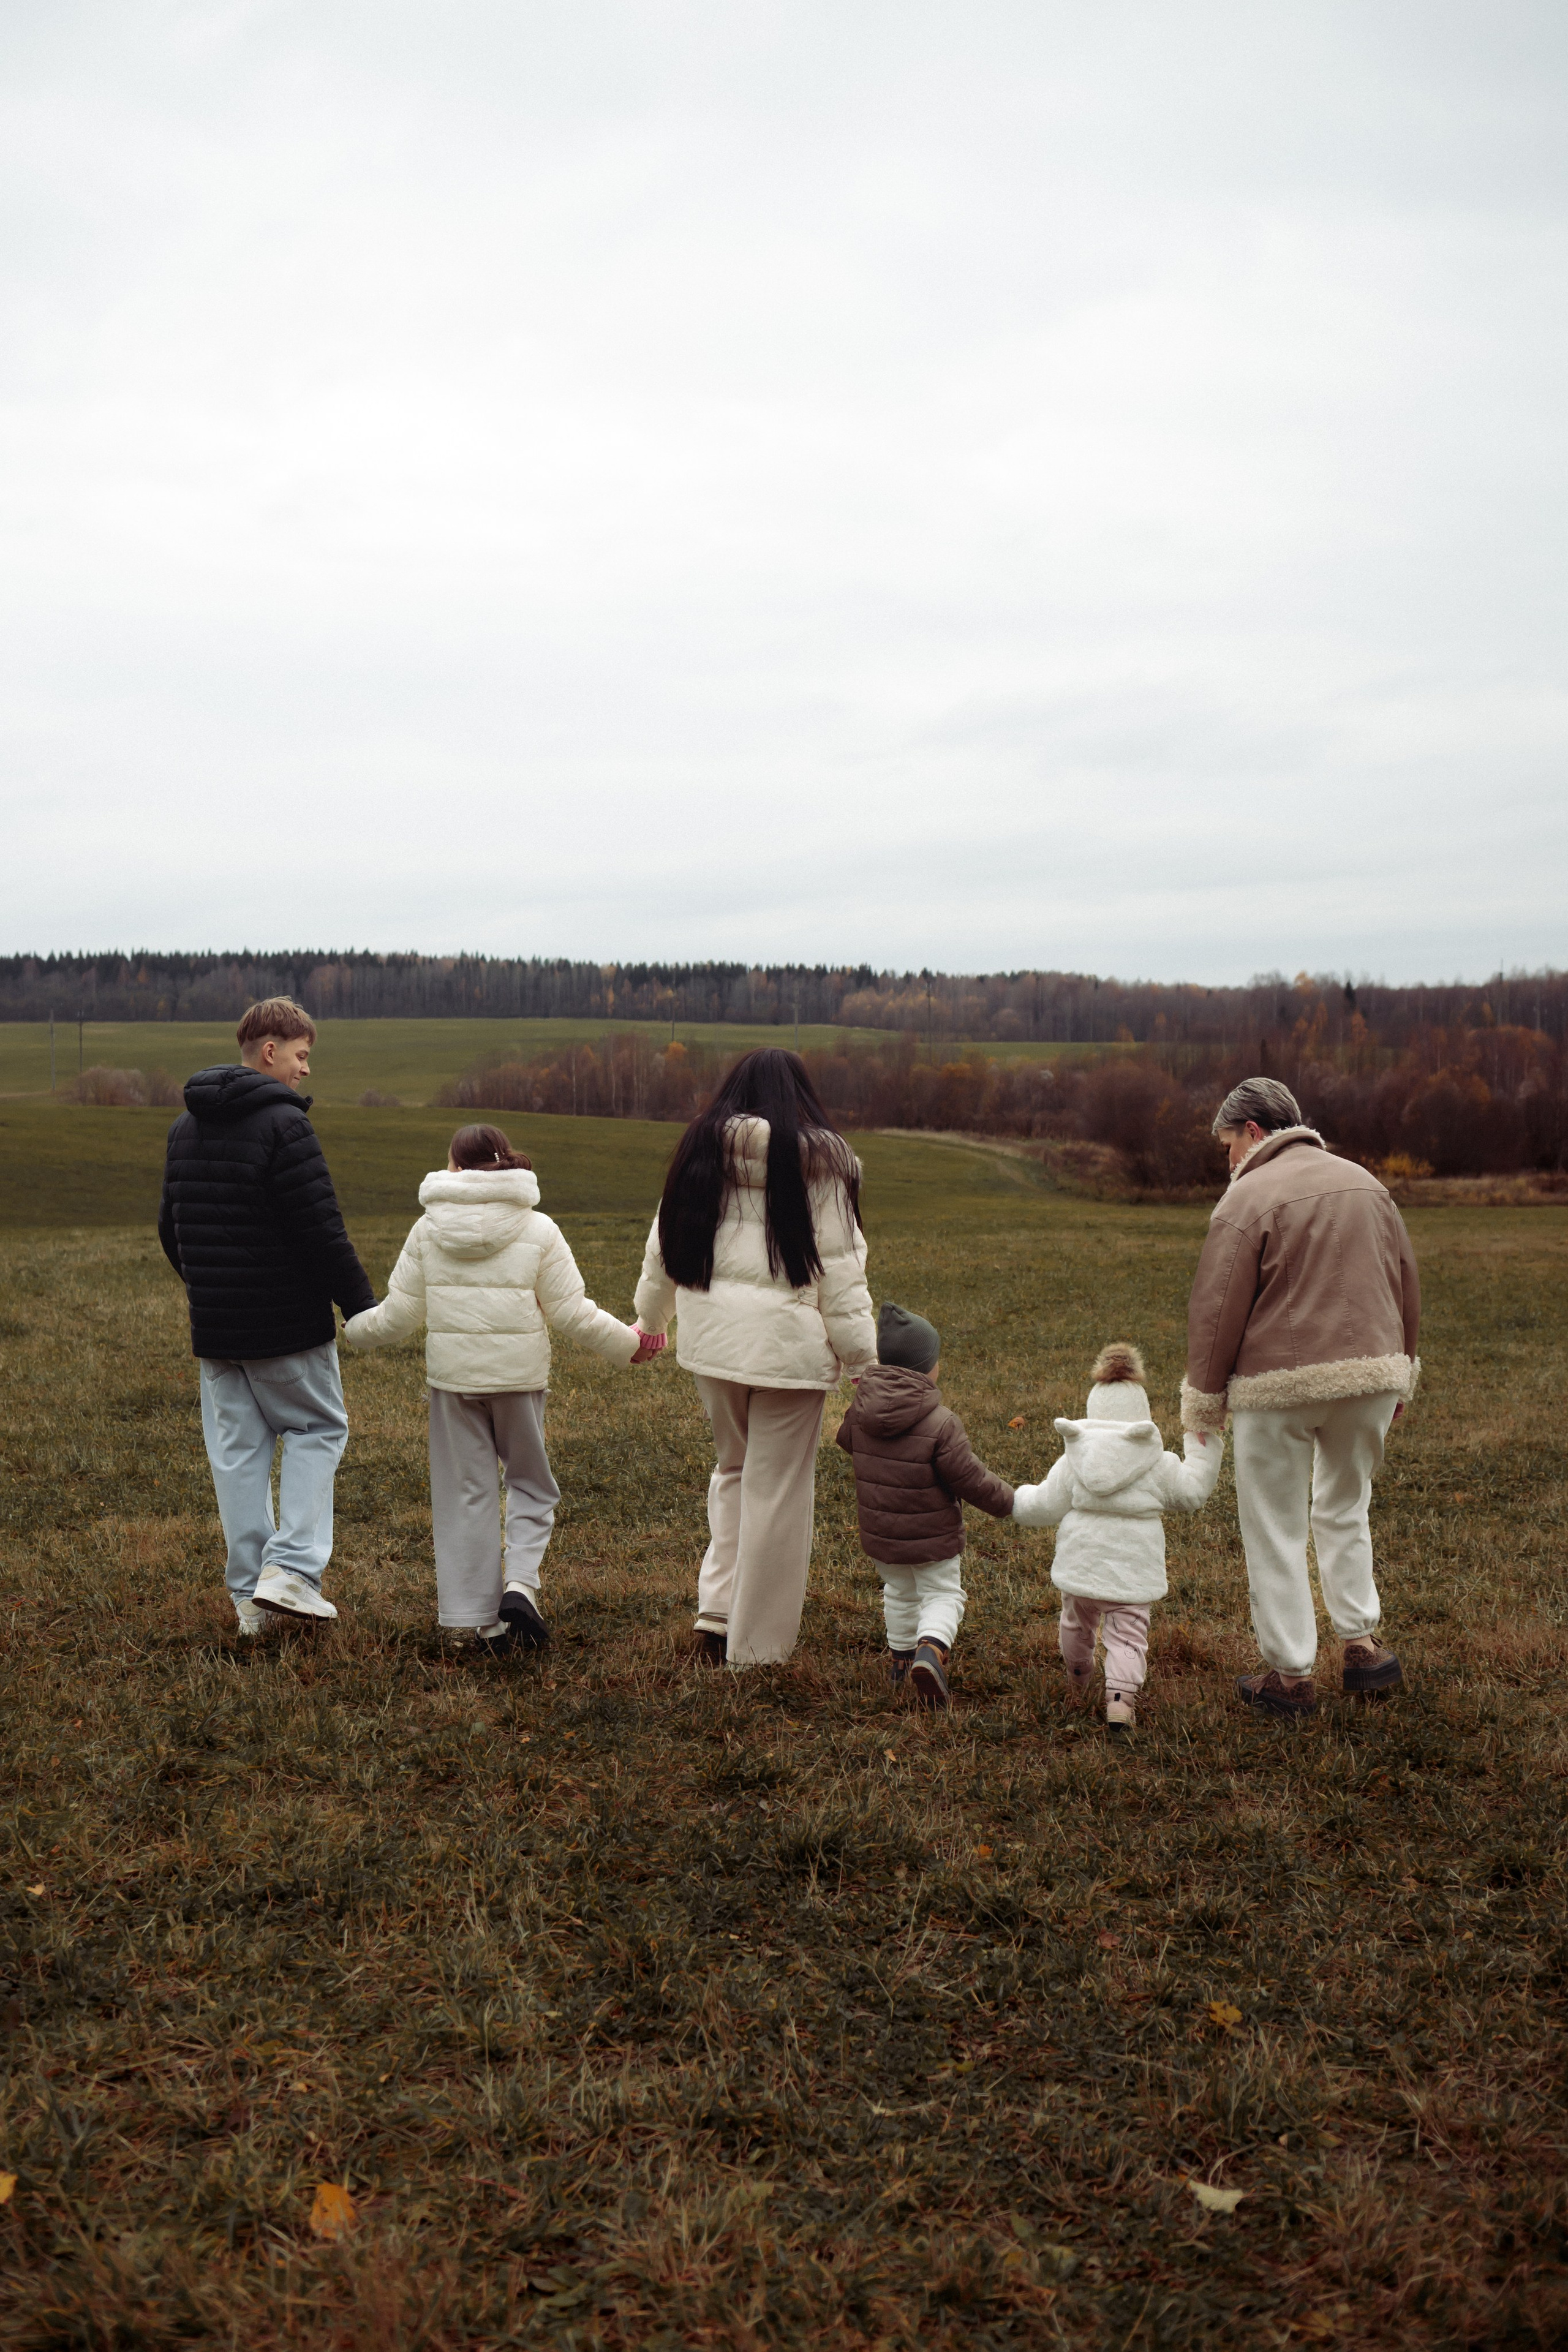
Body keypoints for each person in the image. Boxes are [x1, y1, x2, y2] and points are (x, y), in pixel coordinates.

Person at [343, 1123, 655, 1651]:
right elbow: (571, 1313)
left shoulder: (428, 1229)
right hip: (520, 1380)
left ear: (455, 1165)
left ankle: (481, 1619)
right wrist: (630, 1343)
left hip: (453, 1382)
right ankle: (520, 1586)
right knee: (531, 1484)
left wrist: (354, 1330)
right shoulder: (539, 1228)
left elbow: (399, 1314)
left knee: (467, 1494)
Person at [1182, 1077, 1421, 1721]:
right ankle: (1363, 1646)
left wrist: (1203, 1402)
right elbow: (1405, 1281)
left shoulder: (1247, 1197)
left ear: (1254, 1133)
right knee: (1346, 1505)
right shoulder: (1366, 1184)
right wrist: (1403, 1371)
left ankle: (1289, 1676)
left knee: (1275, 1526)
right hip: (1372, 1376)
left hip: (1278, 1387)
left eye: (1228, 1144)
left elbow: (1216, 1309)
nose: (1228, 1159)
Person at [633, 1047, 876, 1668]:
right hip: (788, 1353)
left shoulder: (699, 1153)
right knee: (779, 1491)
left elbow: (663, 1244)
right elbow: (842, 1276)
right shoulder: (823, 1163)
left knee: (734, 1470)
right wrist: (863, 1364)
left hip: (712, 1344)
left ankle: (716, 1612)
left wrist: (651, 1321)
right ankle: (758, 1647)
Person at [158, 998, 375, 1632]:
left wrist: (212, 1289)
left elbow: (171, 1231)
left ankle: (249, 1602)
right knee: (316, 1431)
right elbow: (321, 1231)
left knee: (238, 1457)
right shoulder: (286, 1127)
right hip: (286, 1325)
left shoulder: (183, 1128)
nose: (306, 1071)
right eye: (303, 1055)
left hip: (217, 1329)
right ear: (271, 1051)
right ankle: (292, 1572)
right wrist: (359, 1304)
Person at [1012, 1343, 1223, 1732]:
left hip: (1081, 1565)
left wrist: (1014, 1500)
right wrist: (1201, 1444)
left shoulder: (1074, 1459)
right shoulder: (1159, 1464)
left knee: (1076, 1623)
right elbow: (1193, 1492)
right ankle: (1120, 1703)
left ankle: (1078, 1679)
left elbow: (1043, 1503)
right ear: (1141, 1415)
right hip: (1132, 1570)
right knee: (1128, 1634)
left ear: (1093, 1412)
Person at [834, 1301, 1014, 1708]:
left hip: (882, 1535)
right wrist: (1009, 1502)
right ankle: (931, 1650)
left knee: (898, 1591)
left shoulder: (861, 1412)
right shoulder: (941, 1422)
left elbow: (845, 1440)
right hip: (932, 1538)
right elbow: (970, 1478)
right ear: (926, 1367)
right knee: (943, 1595)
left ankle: (900, 1661)